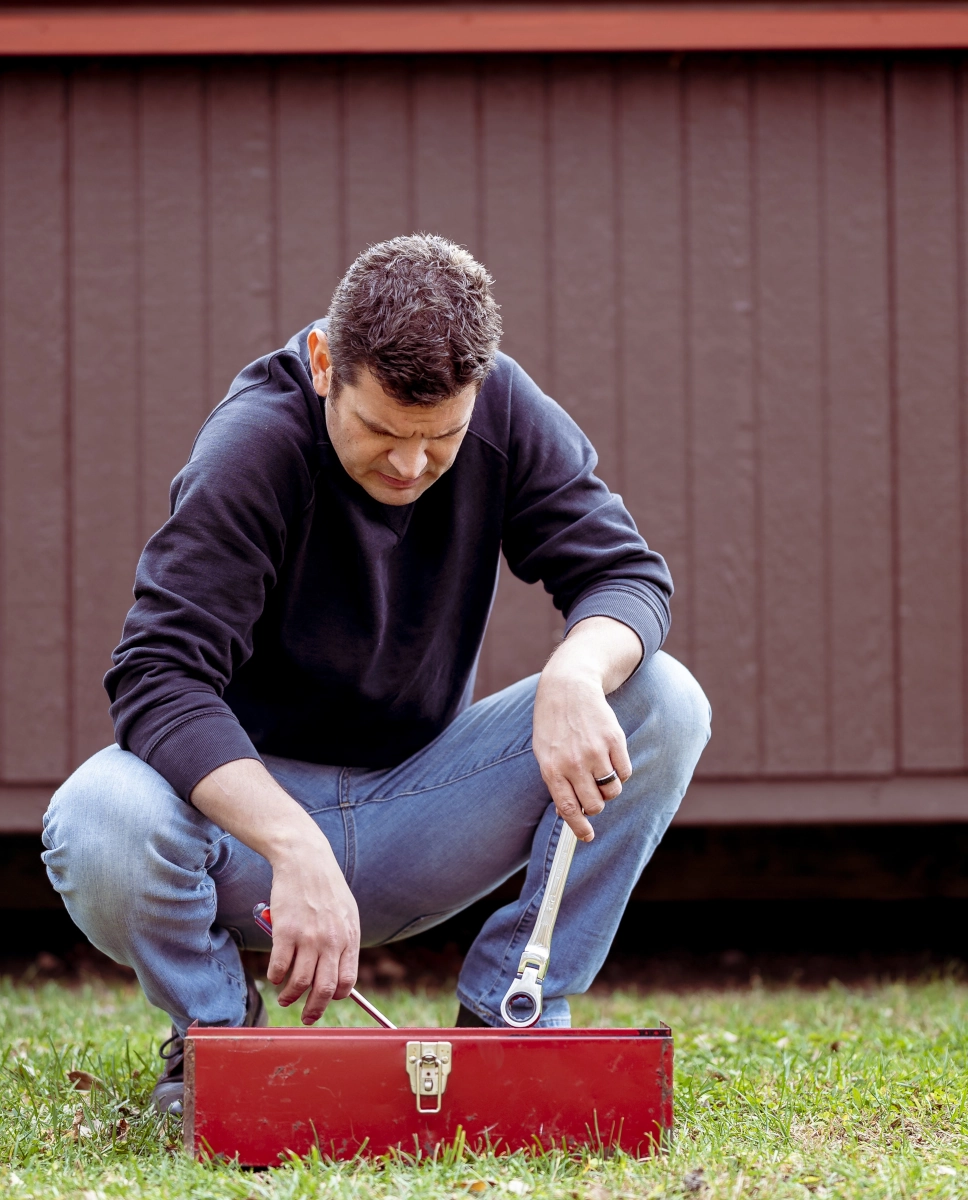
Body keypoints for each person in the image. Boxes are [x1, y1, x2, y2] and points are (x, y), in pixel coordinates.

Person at [41, 234, 710, 1114]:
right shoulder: (253, 446)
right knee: (98, 817)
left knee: (664, 697)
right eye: (382, 431)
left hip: (424, 809)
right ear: (324, 364)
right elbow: (158, 676)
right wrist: (292, 843)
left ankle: (513, 1015)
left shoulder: (504, 408)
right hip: (249, 840)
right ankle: (213, 1042)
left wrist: (576, 674)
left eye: (441, 439)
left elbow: (625, 574)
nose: (409, 465)